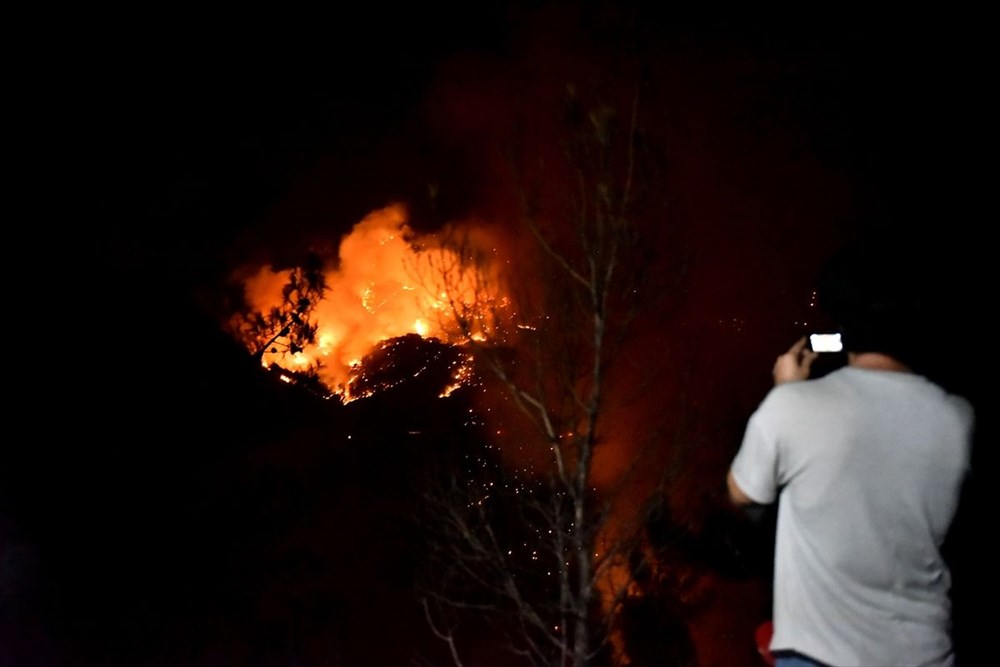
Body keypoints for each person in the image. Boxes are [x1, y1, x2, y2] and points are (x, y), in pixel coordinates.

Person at [727, 245, 975, 667]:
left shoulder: (793, 406)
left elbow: (742, 494)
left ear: (842, 323)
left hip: (819, 656)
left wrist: (787, 392)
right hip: (929, 654)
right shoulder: (958, 419)